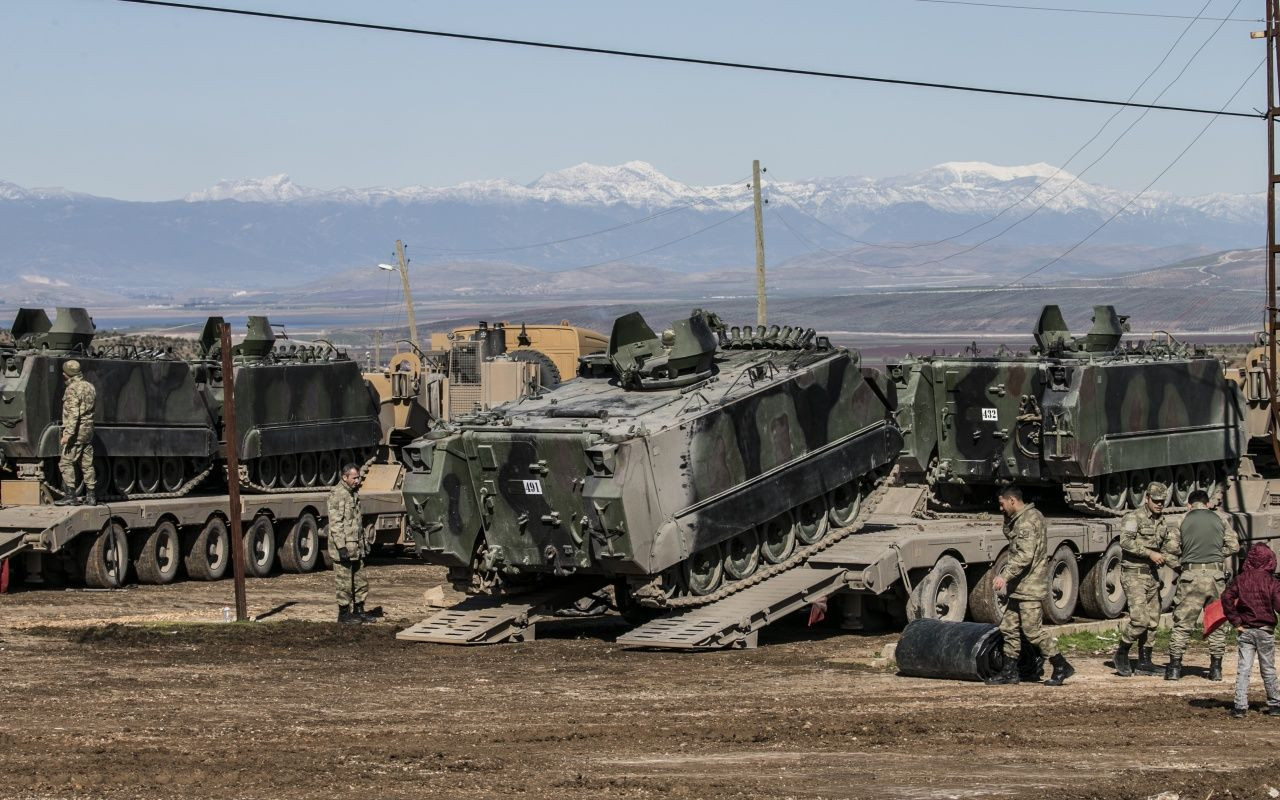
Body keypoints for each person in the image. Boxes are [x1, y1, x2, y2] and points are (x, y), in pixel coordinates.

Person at [985, 485, 1075, 686]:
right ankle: (1010, 671)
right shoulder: (1027, 517)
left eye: (1002, 504)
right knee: (1008, 628)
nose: (1001, 509)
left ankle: (1061, 665)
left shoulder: (1027, 523)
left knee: (1032, 631)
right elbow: (1010, 536)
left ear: (1012, 501)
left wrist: (1004, 576)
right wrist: (1008, 519)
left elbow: (1024, 556)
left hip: (1029, 588)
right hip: (1020, 588)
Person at [1164, 489, 1238, 681]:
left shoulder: (1182, 520)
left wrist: (1181, 566)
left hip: (1191, 576)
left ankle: (1173, 668)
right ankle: (1215, 669)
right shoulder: (1220, 519)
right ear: (1207, 504)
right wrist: (1215, 556)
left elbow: (1170, 550)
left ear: (1189, 504)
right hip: (1216, 577)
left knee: (1183, 624)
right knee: (1216, 622)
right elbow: (1234, 546)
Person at [1112, 482, 1171, 677]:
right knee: (1140, 620)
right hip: (1133, 574)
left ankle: (1145, 661)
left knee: (1153, 620)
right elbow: (1125, 541)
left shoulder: (1162, 521)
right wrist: (1149, 554)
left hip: (1152, 575)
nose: (1159, 504)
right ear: (1147, 498)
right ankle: (1122, 652)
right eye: (1156, 501)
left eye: (1162, 501)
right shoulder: (1133, 517)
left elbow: (1168, 547)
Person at [1221, 543, 1280, 718]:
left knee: (1244, 668)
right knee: (1268, 668)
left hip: (1245, 630)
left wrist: (1236, 621)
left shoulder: (1240, 579)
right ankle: (1275, 705)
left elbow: (1226, 597)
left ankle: (1240, 707)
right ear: (1270, 560)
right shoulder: (1272, 582)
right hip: (1265, 630)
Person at [327, 464, 372, 624]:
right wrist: (341, 547)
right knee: (344, 583)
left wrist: (364, 543)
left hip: (357, 547)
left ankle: (359, 611)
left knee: (360, 581)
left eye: (358, 477)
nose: (357, 480)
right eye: (354, 478)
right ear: (344, 477)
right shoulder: (338, 494)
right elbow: (335, 524)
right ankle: (344, 615)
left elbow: (357, 523)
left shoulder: (353, 494)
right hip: (344, 548)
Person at [54, 360, 97, 506]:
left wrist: (68, 434)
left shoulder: (72, 389)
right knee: (87, 464)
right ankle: (91, 496)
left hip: (76, 432)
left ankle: (70, 496)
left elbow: (73, 414)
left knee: (65, 463)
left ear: (66, 374)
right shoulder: (89, 386)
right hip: (88, 430)